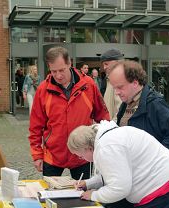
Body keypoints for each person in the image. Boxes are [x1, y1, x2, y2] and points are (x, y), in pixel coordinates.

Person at [105, 60, 169, 208]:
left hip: (159, 185)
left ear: (135, 83)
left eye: (120, 87)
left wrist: (154, 162)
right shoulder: (127, 104)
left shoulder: (155, 104)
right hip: (138, 183)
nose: (116, 92)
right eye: (114, 87)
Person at [29, 46, 110, 180]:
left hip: (83, 154)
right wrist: (37, 154)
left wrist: (102, 147)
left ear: (69, 63)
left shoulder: (88, 85)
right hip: (53, 156)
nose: (58, 75)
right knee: (49, 197)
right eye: (54, 71)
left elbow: (103, 118)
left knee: (84, 197)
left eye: (62, 70)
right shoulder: (43, 90)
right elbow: (35, 126)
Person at [100, 49, 123, 120]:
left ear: (116, 63)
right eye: (103, 65)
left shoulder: (120, 79)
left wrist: (112, 127)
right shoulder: (109, 79)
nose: (104, 67)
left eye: (106, 64)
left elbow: (121, 110)